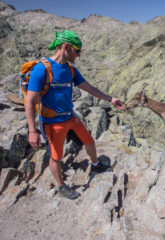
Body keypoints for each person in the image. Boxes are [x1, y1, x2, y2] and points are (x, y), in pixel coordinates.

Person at [25, 30, 126, 200]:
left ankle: (95, 164)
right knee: (56, 157)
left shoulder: (70, 70)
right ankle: (61, 186)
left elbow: (89, 88)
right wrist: (32, 131)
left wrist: (110, 99)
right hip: (52, 123)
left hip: (70, 117)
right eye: (77, 51)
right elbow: (30, 101)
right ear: (66, 47)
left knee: (89, 141)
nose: (78, 55)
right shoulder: (41, 70)